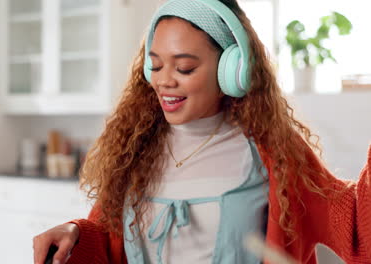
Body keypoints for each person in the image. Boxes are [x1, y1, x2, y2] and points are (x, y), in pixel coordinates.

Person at [33, 0, 371, 263]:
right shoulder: (135, 147)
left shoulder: (276, 153)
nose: (164, 80)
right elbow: (107, 238)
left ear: (231, 70)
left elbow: (357, 232)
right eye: (155, 65)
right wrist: (75, 232)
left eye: (184, 67)